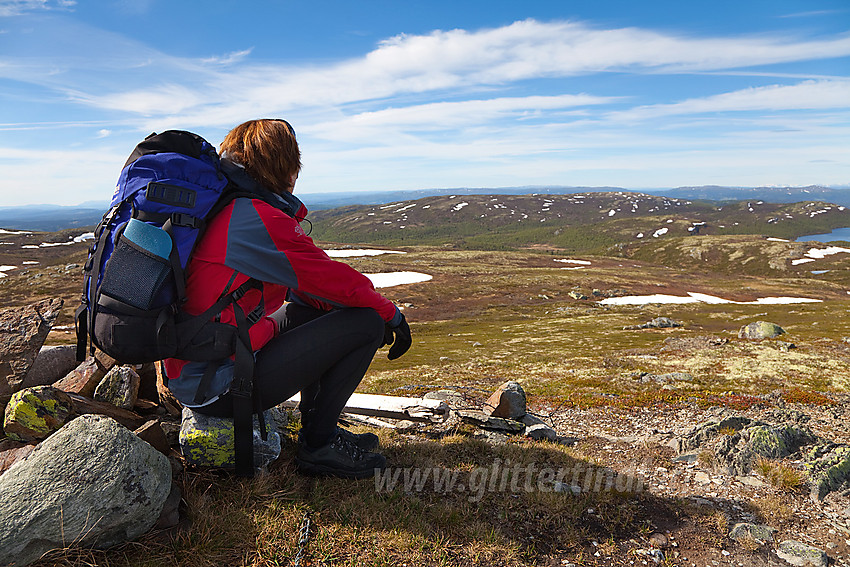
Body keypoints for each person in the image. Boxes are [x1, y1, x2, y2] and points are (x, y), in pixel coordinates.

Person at [163, 118, 412, 478]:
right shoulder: (255, 217)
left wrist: (336, 303)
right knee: (366, 323)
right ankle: (318, 447)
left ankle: (318, 430)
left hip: (202, 364)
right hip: (216, 383)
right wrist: (391, 315)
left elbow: (311, 287)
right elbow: (330, 277)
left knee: (312, 309)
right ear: (283, 164)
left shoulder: (230, 210)